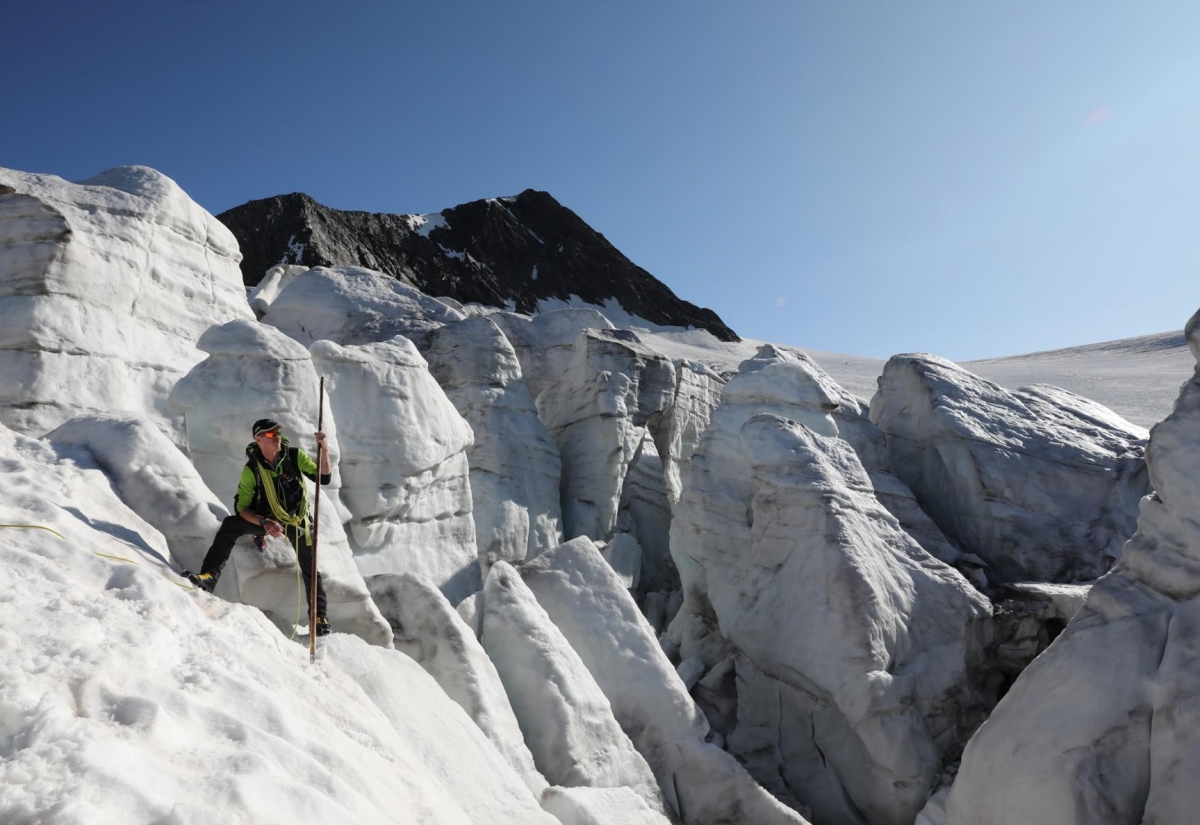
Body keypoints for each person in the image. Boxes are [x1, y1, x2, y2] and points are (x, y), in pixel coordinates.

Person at [187, 418, 332, 637]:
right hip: (267, 519)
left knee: (309, 567)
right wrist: (263, 523)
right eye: (272, 435)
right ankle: (209, 576)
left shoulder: (294, 456)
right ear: (259, 438)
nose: (278, 438)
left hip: (297, 521)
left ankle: (319, 618)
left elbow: (323, 477)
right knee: (231, 526)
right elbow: (242, 508)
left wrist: (325, 449)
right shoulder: (252, 469)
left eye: (278, 434)